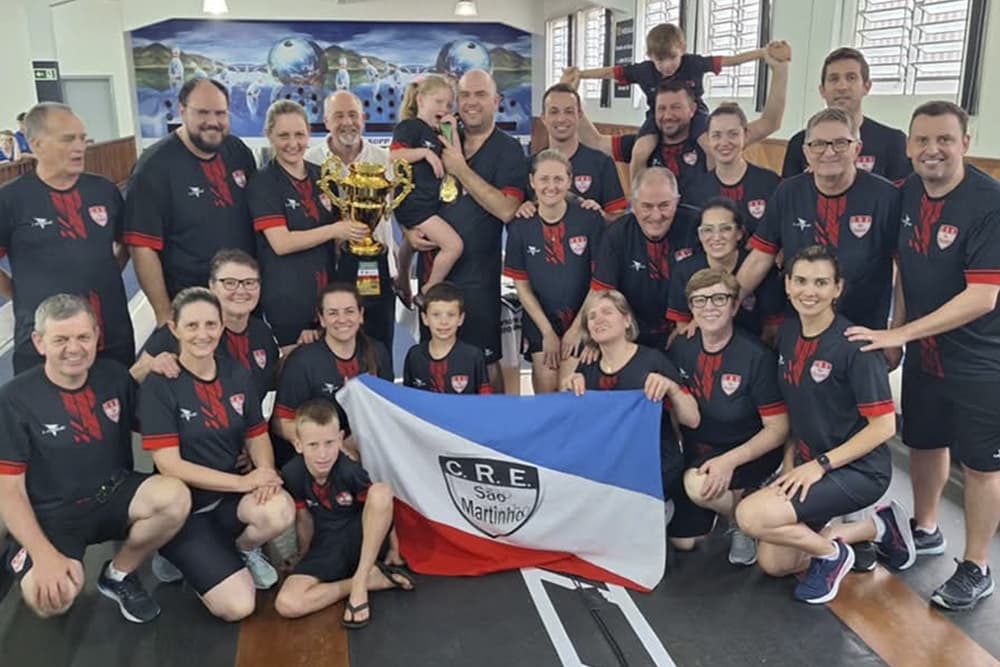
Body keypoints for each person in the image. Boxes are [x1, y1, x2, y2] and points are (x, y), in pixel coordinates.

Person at [845, 102, 1000, 610]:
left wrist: (902, 333)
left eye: (944, 140)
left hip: (982, 360)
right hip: (926, 354)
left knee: (981, 465)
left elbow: (982, 297)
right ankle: (925, 527)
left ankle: (977, 565)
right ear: (908, 147)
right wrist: (898, 331)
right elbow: (905, 269)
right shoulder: (905, 193)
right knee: (926, 442)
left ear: (965, 143)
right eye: (923, 141)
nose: (933, 150)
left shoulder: (988, 203)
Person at [735, 246, 915, 604]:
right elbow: (800, 413)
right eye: (800, 280)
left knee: (750, 515)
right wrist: (791, 466)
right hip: (809, 464)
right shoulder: (788, 335)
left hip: (858, 471)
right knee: (774, 562)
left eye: (821, 283)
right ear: (787, 285)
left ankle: (833, 555)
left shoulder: (855, 347)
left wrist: (819, 466)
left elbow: (883, 428)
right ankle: (877, 527)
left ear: (837, 288)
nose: (809, 291)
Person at [0, 294, 190, 622]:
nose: (74, 348)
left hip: (113, 494)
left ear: (96, 336)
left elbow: (156, 427)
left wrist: (153, 368)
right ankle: (20, 549)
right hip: (55, 516)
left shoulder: (115, 377)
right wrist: (43, 555)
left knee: (175, 498)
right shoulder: (15, 399)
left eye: (83, 337)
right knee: (52, 599)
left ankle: (117, 574)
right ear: (39, 342)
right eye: (60, 339)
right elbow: (9, 490)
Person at [139, 288, 295, 620]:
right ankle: (173, 551)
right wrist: (243, 484)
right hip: (184, 510)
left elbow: (256, 434)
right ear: (174, 329)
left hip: (226, 502)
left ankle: (241, 550)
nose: (202, 334)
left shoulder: (236, 373)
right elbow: (168, 464)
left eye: (211, 324)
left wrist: (265, 473)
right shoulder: (160, 384)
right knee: (238, 607)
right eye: (192, 325)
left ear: (223, 326)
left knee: (279, 510)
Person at [401, 69, 527, 393]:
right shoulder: (439, 132)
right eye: (465, 95)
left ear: (496, 101)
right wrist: (408, 229)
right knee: (433, 367)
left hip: (478, 282)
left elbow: (507, 209)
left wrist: (460, 169)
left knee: (484, 369)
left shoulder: (508, 150)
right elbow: (406, 186)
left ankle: (489, 438)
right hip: (435, 281)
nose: (471, 103)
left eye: (480, 95)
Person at [738, 108, 902, 334]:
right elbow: (760, 258)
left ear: (857, 149)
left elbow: (904, 269)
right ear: (806, 152)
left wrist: (896, 332)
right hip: (799, 328)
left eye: (840, 143)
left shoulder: (886, 196)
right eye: (819, 144)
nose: (829, 152)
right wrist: (726, 303)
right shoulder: (788, 193)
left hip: (864, 329)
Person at [0, 102, 134, 375]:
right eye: (68, 139)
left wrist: (106, 273)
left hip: (110, 335)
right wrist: (20, 292)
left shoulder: (104, 191)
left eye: (82, 138)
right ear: (37, 144)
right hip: (43, 346)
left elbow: (128, 243)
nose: (80, 147)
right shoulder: (10, 199)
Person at [667, 269, 788, 565]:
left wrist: (729, 462)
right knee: (682, 543)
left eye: (719, 299)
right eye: (700, 300)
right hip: (703, 453)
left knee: (697, 486)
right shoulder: (682, 347)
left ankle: (743, 519)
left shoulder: (756, 356)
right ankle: (734, 506)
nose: (710, 307)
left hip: (748, 455)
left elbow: (779, 429)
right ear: (692, 308)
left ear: (734, 305)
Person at [573, 41, 790, 197]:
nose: (668, 115)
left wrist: (780, 70)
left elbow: (769, 123)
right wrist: (572, 96)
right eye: (661, 108)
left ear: (693, 108)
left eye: (676, 107)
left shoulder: (715, 141)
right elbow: (594, 141)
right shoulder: (645, 143)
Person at [125, 78, 257, 326]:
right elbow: (143, 248)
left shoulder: (238, 152)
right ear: (182, 110)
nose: (213, 121)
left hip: (242, 299)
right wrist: (164, 315)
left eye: (220, 113)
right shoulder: (153, 167)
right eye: (202, 113)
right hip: (190, 305)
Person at [274, 399, 414, 625]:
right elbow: (304, 519)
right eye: (313, 445)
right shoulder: (292, 473)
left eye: (329, 443)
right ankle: (366, 581)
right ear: (298, 444)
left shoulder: (350, 471)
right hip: (327, 545)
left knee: (380, 491)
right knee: (287, 604)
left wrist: (395, 549)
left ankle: (360, 584)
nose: (323, 454)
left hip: (360, 541)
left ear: (340, 439)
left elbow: (382, 511)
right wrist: (303, 555)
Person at [562, 290, 699, 514]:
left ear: (627, 320)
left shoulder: (653, 359)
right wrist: (569, 391)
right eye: (592, 316)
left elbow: (692, 419)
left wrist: (671, 388)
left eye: (607, 312)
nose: (599, 319)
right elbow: (575, 426)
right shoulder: (587, 367)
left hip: (652, 463)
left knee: (683, 543)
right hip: (609, 464)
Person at [249, 100, 360, 348]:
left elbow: (337, 239)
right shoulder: (263, 182)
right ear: (269, 135)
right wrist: (335, 230)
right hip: (288, 302)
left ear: (309, 133)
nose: (293, 143)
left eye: (299, 134)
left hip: (326, 302)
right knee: (295, 375)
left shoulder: (322, 175)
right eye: (284, 135)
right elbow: (281, 243)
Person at [305, 90, 398, 352]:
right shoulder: (309, 161)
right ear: (326, 121)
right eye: (338, 115)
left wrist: (398, 271)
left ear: (364, 118)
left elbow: (392, 219)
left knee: (379, 348)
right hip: (329, 272)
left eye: (353, 115)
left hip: (376, 270)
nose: (347, 122)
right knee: (335, 352)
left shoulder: (384, 160)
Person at [504, 150, 604, 393]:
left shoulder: (590, 220)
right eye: (544, 179)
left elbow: (599, 282)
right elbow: (522, 287)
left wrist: (578, 329)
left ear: (570, 181)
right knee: (547, 395)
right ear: (532, 182)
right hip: (541, 323)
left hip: (582, 320)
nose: (551, 186)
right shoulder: (520, 226)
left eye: (558, 179)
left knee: (568, 390)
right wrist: (547, 332)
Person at [130, 249, 279, 402]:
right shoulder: (186, 330)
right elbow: (132, 378)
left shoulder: (262, 333)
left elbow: (272, 379)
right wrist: (152, 366)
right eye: (230, 283)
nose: (241, 291)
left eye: (249, 283)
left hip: (249, 423)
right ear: (212, 286)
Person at [274, 283, 393, 455]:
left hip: (366, 449)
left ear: (361, 315)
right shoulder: (302, 361)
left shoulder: (377, 352)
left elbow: (386, 411)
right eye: (333, 313)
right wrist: (329, 445)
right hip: (319, 457)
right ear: (321, 319)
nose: (342, 319)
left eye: (349, 311)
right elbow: (280, 422)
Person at [590, 167, 698, 350]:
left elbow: (720, 277)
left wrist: (694, 322)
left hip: (690, 330)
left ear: (677, 201)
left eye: (664, 205)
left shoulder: (699, 226)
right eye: (647, 206)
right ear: (632, 204)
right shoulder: (616, 235)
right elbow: (604, 296)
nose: (656, 216)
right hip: (631, 335)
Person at [781, 48, 910, 182]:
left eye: (851, 78)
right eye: (834, 79)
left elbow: (900, 198)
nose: (842, 86)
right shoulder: (800, 143)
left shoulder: (893, 141)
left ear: (867, 86)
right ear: (822, 90)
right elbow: (788, 198)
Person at [391, 75, 465, 308]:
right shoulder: (411, 127)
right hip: (415, 204)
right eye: (438, 102)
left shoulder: (438, 135)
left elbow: (458, 162)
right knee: (453, 246)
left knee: (413, 243)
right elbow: (393, 156)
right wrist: (424, 154)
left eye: (448, 105)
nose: (444, 109)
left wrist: (452, 132)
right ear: (421, 100)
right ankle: (428, 289)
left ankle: (402, 277)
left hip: (429, 204)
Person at [666, 197, 783, 341]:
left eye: (725, 229)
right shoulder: (684, 270)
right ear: (699, 235)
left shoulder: (761, 269)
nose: (716, 237)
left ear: (739, 233)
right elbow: (684, 329)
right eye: (707, 230)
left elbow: (771, 330)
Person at [520, 83, 626, 220]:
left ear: (579, 115)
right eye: (554, 112)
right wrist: (522, 209)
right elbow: (515, 216)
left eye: (569, 111)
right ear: (543, 118)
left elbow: (619, 220)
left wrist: (600, 215)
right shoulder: (529, 165)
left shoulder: (601, 163)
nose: (561, 119)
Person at [685, 104, 782, 235]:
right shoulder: (696, 190)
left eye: (733, 134)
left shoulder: (770, 182)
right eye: (716, 135)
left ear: (746, 134)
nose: (724, 142)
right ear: (708, 139)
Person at [403, 282, 492, 394]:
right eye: (436, 315)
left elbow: (485, 400)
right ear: (425, 318)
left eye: (451, 315)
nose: (443, 322)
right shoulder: (414, 356)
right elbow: (406, 400)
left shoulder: (473, 356)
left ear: (460, 318)